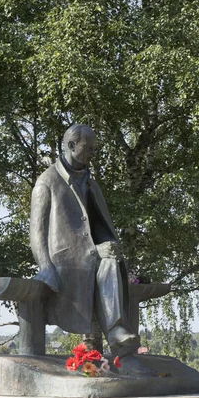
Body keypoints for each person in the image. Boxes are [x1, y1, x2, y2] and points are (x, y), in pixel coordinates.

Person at [30, 124, 140, 355]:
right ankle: (116, 330)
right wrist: (45, 268)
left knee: (111, 261)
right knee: (105, 259)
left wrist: (108, 247)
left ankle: (117, 331)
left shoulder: (90, 183)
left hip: (93, 259)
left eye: (95, 148)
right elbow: (37, 233)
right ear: (71, 146)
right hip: (66, 264)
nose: (93, 153)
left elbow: (98, 226)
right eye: (88, 147)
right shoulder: (47, 182)